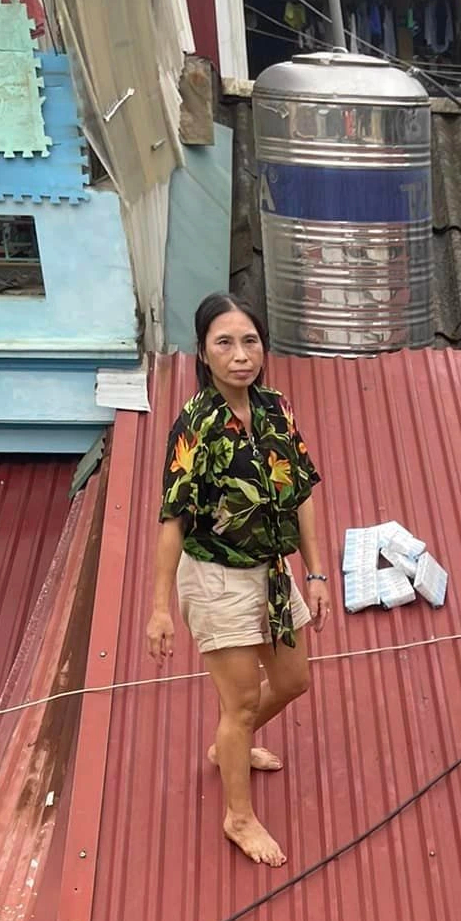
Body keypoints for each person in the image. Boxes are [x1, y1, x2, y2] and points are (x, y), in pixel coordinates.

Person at [145, 292, 331, 867]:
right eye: (224, 343)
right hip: (216, 576)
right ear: (203, 352)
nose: (240, 355)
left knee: (295, 680)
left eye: (249, 340)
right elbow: (173, 519)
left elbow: (300, 494)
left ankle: (229, 744)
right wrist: (159, 608)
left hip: (272, 573)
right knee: (242, 703)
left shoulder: (275, 408)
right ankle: (238, 816)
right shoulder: (195, 426)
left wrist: (316, 571)